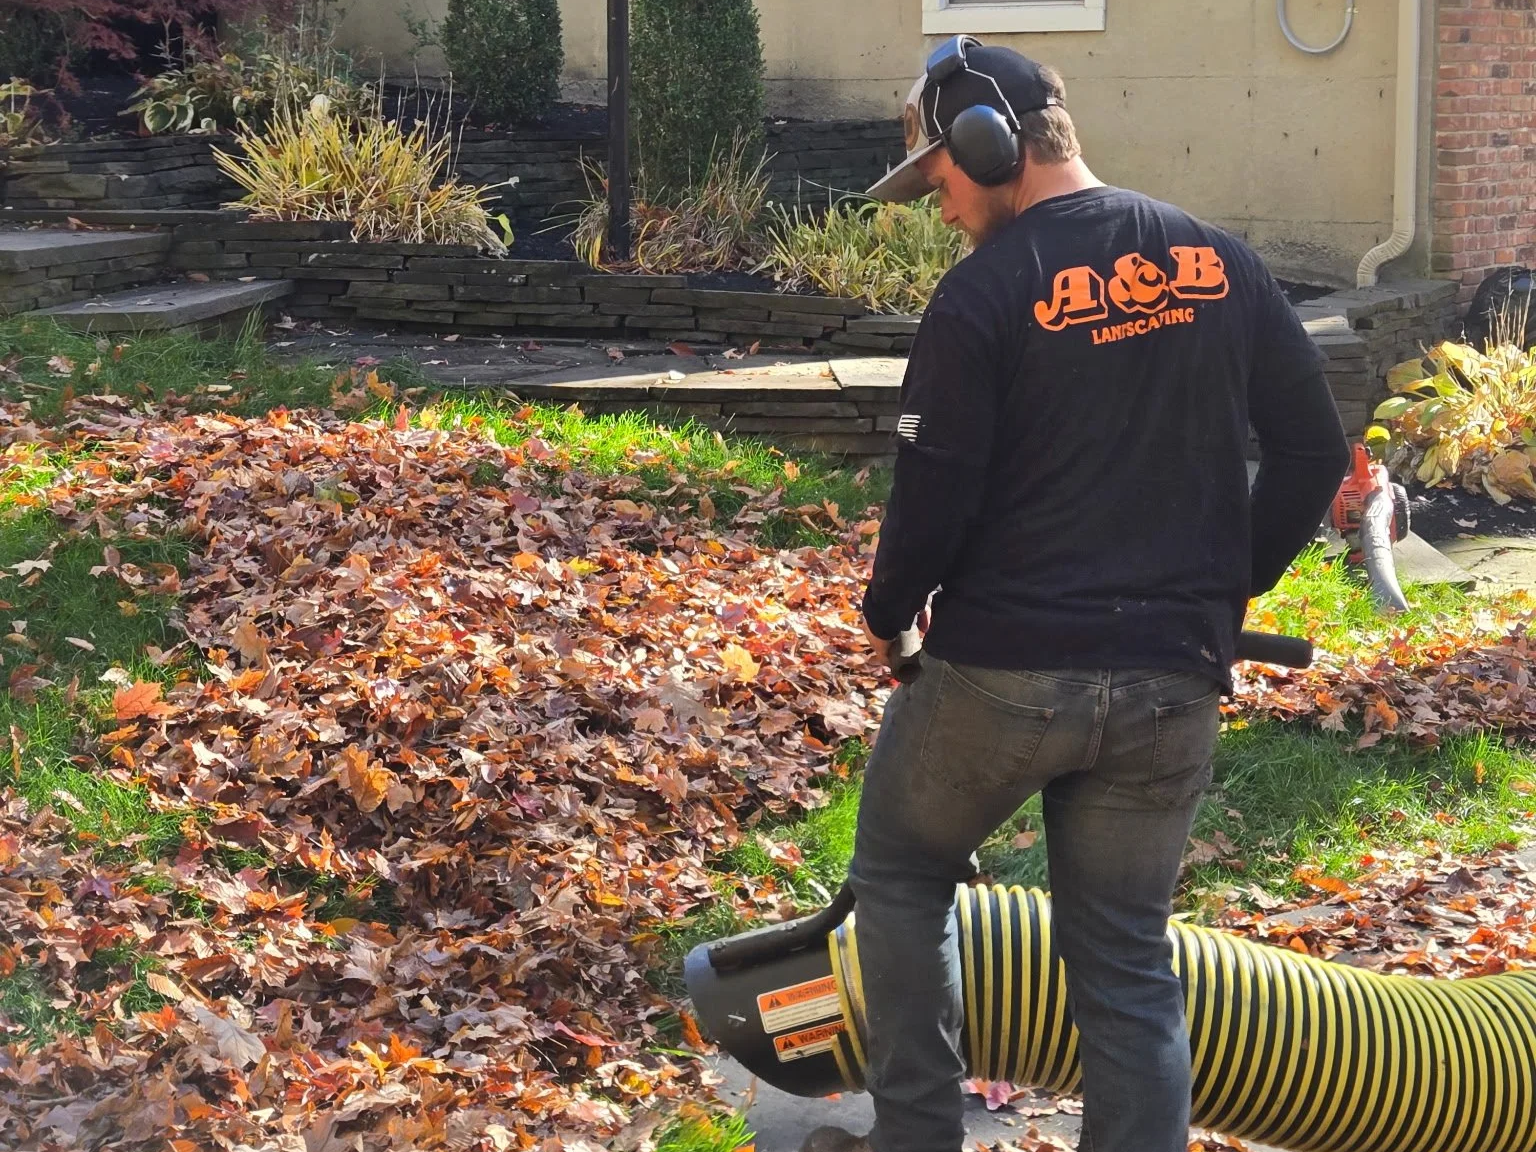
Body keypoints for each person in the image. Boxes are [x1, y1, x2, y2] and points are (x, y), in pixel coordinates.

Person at [800, 35, 1351, 1152]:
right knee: (1124, 955)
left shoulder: (983, 296)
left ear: (987, 144)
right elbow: (1312, 455)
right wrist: (1221, 593)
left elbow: (935, 495)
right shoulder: (1221, 262)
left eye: (940, 180)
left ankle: (914, 1138)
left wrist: (887, 610)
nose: (939, 208)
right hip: (1170, 687)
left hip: (1003, 674)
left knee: (903, 875)